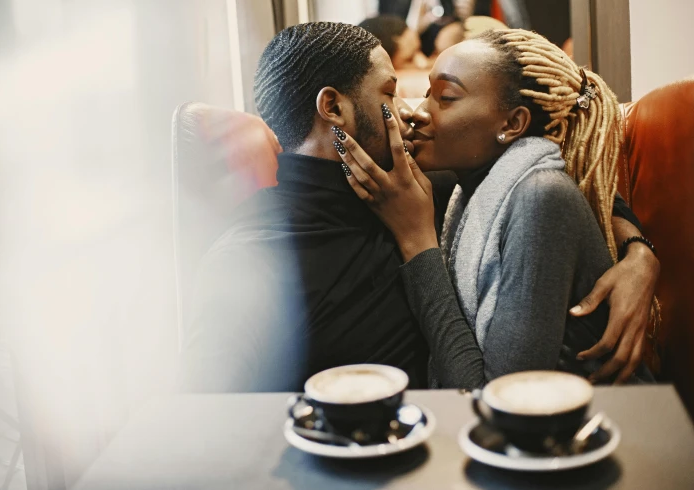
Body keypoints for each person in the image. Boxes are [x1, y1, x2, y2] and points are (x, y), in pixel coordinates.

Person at [177, 23, 658, 393]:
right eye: (390, 93)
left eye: (436, 96)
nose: (410, 110)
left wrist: (638, 251)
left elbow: (554, 176)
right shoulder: (252, 259)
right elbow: (207, 430)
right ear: (334, 108)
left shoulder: (419, 190)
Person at [332, 29, 659, 386]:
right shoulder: (469, 180)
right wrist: (639, 250)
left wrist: (417, 241)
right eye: (427, 93)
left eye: (447, 97)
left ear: (511, 124)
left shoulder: (540, 195)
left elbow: (496, 395)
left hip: (590, 426)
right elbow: (593, 186)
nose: (417, 112)